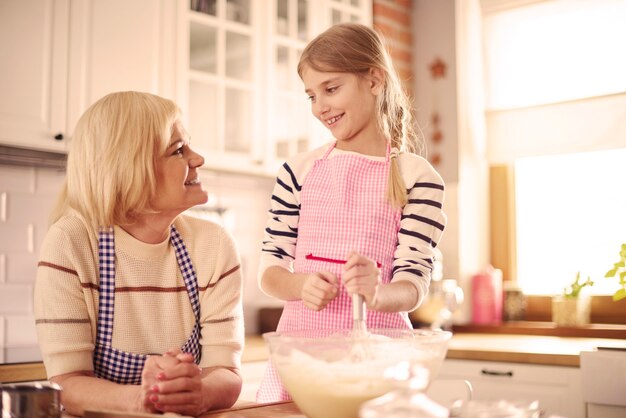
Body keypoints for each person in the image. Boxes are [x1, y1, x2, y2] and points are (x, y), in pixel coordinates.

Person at [256, 23, 447, 402]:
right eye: (311, 95)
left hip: (380, 364)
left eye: (331, 88)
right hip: (302, 363)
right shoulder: (297, 171)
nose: (319, 107)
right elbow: (270, 271)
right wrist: (299, 285)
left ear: (374, 80)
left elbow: (414, 285)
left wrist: (377, 293)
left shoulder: (416, 177)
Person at [34, 91, 244, 416]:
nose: (197, 158)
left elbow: (227, 373)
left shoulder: (213, 245)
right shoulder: (71, 242)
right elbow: (67, 385)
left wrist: (198, 392)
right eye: (178, 150)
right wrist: (141, 399)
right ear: (128, 167)